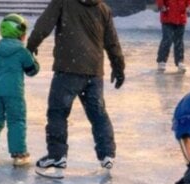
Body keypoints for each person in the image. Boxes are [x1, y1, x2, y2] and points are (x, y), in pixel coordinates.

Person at [26, 0, 125, 171]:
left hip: (67, 70)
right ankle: (107, 153)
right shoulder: (102, 8)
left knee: (58, 112)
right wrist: (118, 67)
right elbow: (112, 42)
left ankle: (57, 156)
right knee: (98, 114)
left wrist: (31, 46)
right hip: (93, 71)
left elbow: (44, 24)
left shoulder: (63, 2)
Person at [0, 14, 40, 167]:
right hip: (13, 93)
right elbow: (32, 71)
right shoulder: (22, 52)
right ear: (18, 33)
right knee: (16, 120)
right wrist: (33, 57)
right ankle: (19, 153)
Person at [156, 0, 190, 73]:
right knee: (167, 39)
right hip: (167, 16)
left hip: (181, 17)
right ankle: (161, 61)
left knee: (179, 40)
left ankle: (180, 61)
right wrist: (161, 5)